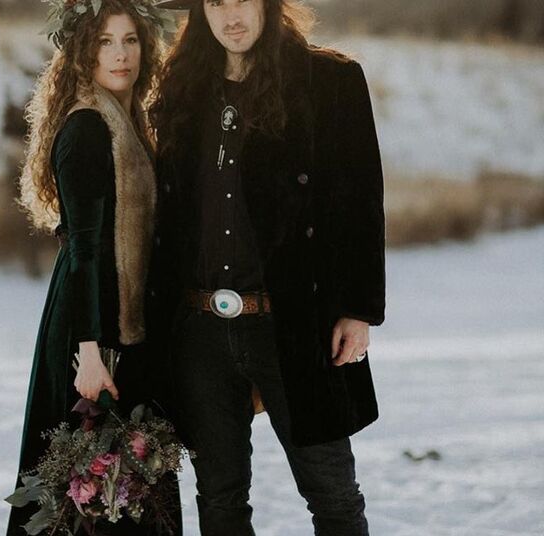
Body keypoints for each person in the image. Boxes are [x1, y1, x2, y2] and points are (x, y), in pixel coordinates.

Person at [148, 0, 386, 534]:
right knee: (219, 499)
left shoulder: (331, 81)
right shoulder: (181, 87)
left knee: (333, 494)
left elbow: (360, 203)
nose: (231, 16)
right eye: (216, 2)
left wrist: (358, 309)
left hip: (294, 322)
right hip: (200, 330)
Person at [8, 1, 181, 534]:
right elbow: (84, 248)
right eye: (105, 42)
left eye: (130, 40)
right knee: (88, 500)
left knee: (130, 495)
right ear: (84, 52)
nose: (120, 54)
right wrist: (87, 354)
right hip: (93, 333)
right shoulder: (87, 127)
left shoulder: (129, 122)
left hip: (123, 328)